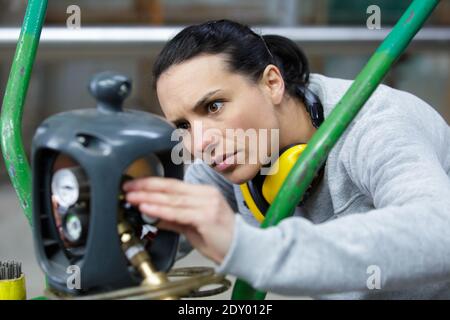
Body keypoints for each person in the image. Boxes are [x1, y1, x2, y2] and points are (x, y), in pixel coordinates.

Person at [122, 20, 450, 299]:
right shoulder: (233, 153)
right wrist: (101, 231)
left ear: (272, 83)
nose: (199, 143)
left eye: (214, 106)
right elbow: (168, 232)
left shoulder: (375, 125)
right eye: (183, 125)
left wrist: (250, 247)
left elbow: (441, 231)